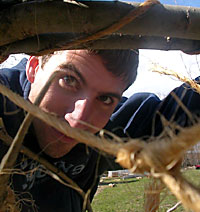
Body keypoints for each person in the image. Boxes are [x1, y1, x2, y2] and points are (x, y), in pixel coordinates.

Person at [0, 49, 199, 212]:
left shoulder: (108, 129)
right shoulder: (4, 104)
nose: (78, 121)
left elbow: (180, 112)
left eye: (105, 99)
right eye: (69, 80)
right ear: (33, 68)